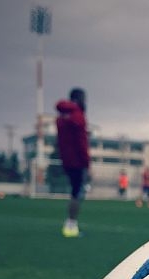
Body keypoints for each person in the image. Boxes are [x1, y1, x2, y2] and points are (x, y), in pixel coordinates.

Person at [56, 88, 91, 237]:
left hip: (67, 160)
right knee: (77, 193)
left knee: (75, 191)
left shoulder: (62, 116)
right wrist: (86, 162)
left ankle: (71, 224)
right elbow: (81, 142)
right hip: (77, 161)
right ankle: (71, 225)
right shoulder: (78, 115)